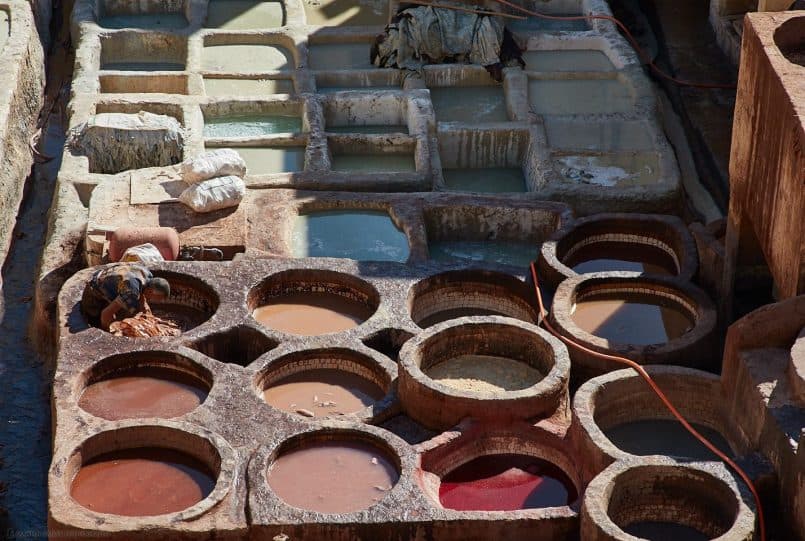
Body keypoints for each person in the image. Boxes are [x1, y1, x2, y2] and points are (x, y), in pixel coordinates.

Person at [81, 263, 171, 330]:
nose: (156, 301)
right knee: (123, 316)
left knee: (131, 308)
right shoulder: (132, 292)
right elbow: (105, 314)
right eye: (157, 298)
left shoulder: (147, 275)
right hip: (93, 296)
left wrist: (146, 311)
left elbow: (142, 294)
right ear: (151, 291)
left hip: (103, 279)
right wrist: (106, 332)